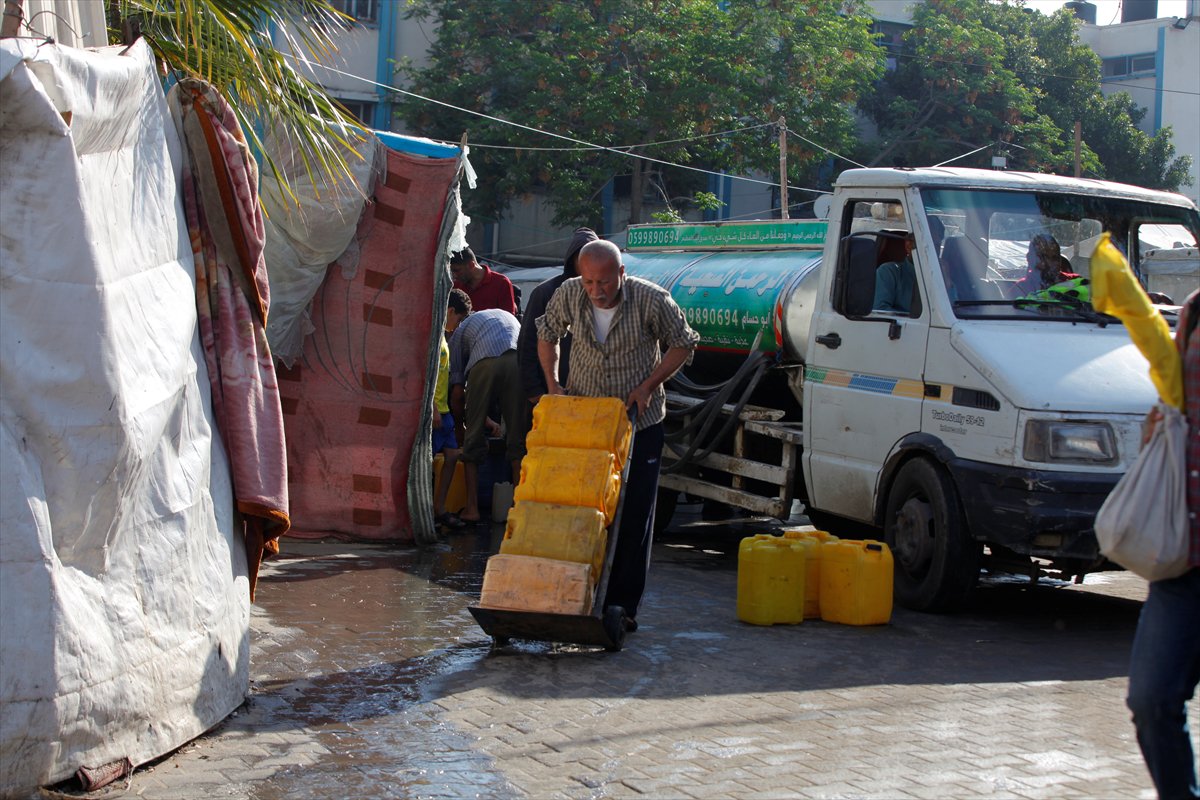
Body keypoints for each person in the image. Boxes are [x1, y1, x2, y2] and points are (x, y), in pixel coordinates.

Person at [536, 239, 699, 631]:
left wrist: (648, 385)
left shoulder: (651, 299)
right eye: (590, 282)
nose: (597, 291)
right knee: (583, 509)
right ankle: (577, 594)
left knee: (633, 514)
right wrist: (553, 385)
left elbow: (684, 343)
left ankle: (623, 607)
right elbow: (547, 334)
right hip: (587, 421)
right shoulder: (568, 295)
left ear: (621, 274)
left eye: (605, 282)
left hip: (637, 423)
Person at [1126, 287, 1200, 800]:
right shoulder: (1195, 310)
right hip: (1185, 557)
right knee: (1151, 700)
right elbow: (1172, 400)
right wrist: (1156, 429)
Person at [445, 289, 527, 524]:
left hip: (485, 362)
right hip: (517, 362)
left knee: (473, 442)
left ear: (454, 314)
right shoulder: (501, 314)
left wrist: (462, 429)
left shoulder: (460, 332)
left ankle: (472, 509)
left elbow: (458, 395)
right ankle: (518, 509)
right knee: (516, 440)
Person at [517, 226, 599, 405]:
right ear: (572, 260)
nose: (589, 263)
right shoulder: (547, 292)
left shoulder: (603, 292)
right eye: (583, 257)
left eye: (594, 257)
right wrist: (534, 391)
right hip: (548, 392)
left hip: (588, 394)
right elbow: (528, 343)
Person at [430, 333, 466, 531]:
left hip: (445, 411)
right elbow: (428, 374)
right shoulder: (433, 339)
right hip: (436, 410)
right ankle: (425, 509)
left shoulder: (443, 338)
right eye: (459, 317)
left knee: (452, 456)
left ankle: (440, 507)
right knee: (428, 461)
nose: (459, 325)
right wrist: (433, 407)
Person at [873, 217, 944, 314]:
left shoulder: (942, 275)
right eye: (926, 245)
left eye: (936, 246)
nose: (932, 252)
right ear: (909, 245)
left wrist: (947, 281)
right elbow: (880, 311)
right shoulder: (889, 272)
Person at [450, 247, 517, 315]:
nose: (455, 275)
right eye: (452, 271)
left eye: (457, 270)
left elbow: (508, 318)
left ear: (471, 265)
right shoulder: (456, 286)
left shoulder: (501, 283)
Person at [1012, 234, 1078, 296]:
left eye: (1054, 257)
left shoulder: (1076, 282)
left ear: (1060, 259)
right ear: (1030, 259)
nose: (1049, 263)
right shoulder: (1020, 288)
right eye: (1042, 257)